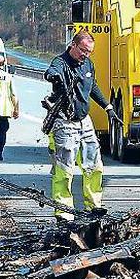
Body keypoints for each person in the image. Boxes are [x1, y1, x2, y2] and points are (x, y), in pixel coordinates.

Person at [44, 30, 121, 221]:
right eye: (83, 50)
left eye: (89, 52)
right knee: (64, 168)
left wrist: (108, 107)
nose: (85, 55)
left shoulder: (87, 64)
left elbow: (92, 86)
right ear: (73, 45)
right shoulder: (60, 63)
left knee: (94, 165)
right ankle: (63, 210)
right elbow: (50, 72)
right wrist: (55, 78)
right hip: (65, 121)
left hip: (84, 121)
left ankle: (94, 206)